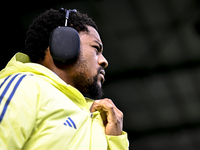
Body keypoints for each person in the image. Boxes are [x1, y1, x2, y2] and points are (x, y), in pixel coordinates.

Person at [0, 8, 129, 150]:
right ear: (64, 43)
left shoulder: (99, 119)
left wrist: (115, 141)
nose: (104, 61)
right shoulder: (25, 86)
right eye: (96, 49)